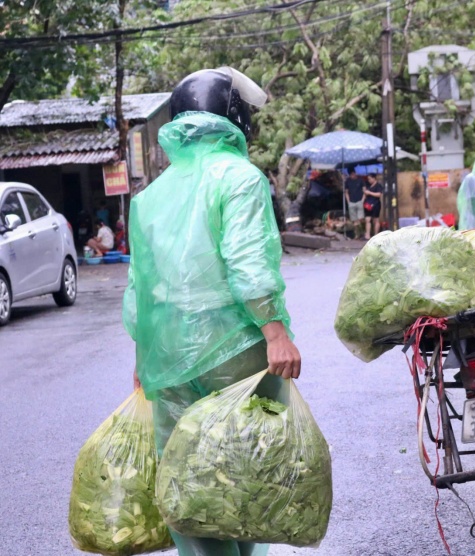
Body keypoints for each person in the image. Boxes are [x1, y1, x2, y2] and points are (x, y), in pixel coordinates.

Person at [123, 67, 300, 556]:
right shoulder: (240, 178)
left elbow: (141, 288)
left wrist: (144, 360)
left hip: (171, 360)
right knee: (246, 478)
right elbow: (249, 263)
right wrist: (276, 331)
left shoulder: (148, 198)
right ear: (235, 118)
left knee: (190, 484)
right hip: (237, 353)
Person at [344, 168, 365, 238]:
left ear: (355, 173)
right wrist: (348, 201)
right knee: (354, 220)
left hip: (359, 201)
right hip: (351, 202)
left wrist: (362, 200)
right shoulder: (347, 181)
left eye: (353, 174)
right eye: (351, 175)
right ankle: (357, 234)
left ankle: (361, 231)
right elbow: (346, 192)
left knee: (360, 218)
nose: (352, 176)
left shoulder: (360, 180)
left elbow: (364, 191)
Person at [363, 173, 382, 239]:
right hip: (368, 204)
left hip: (375, 204)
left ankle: (376, 234)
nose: (369, 180)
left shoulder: (378, 185)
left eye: (370, 179)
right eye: (368, 179)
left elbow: (379, 194)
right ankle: (367, 234)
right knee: (367, 219)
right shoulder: (368, 185)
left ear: (374, 178)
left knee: (375, 220)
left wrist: (370, 193)